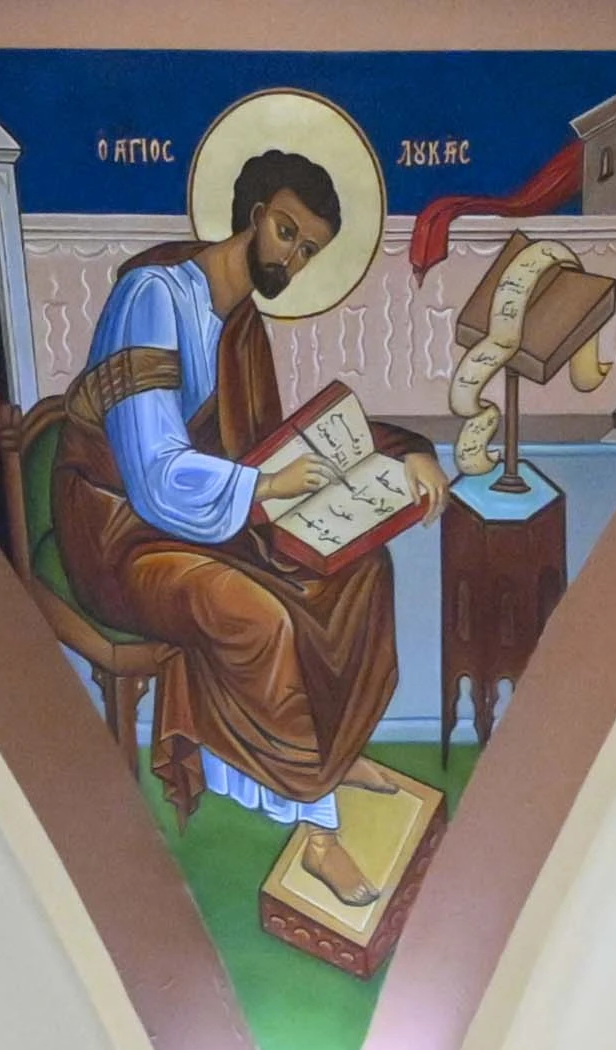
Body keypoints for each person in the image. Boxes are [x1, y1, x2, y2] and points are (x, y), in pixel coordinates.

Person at [47, 148, 415, 826]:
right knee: (257, 616)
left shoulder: (240, 322)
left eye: (308, 250)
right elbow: (153, 473)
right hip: (121, 533)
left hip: (211, 514)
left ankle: (324, 756)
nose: (292, 259)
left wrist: (406, 453)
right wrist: (265, 484)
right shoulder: (153, 297)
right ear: (252, 216)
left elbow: (272, 440)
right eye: (286, 233)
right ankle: (307, 806)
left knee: (362, 571)